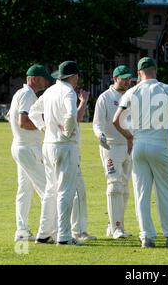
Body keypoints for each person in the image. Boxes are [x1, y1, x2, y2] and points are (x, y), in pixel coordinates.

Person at [112, 57, 168, 249]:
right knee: (166, 193)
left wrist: (129, 137)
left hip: (139, 146)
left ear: (139, 73)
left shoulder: (131, 91)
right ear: (155, 69)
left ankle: (146, 235)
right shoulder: (166, 88)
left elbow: (115, 120)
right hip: (160, 144)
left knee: (141, 193)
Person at [29, 61, 83, 246]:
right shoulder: (68, 92)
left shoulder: (50, 91)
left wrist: (44, 127)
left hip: (49, 144)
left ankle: (44, 233)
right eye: (77, 76)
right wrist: (67, 132)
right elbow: (71, 114)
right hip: (65, 146)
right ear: (73, 76)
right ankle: (64, 235)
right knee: (65, 191)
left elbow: (33, 112)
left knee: (51, 190)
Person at [8, 64, 52, 242]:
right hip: (28, 148)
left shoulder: (20, 93)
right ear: (34, 78)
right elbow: (23, 121)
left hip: (20, 146)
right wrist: (46, 126)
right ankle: (49, 231)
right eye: (43, 78)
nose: (46, 82)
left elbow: (9, 116)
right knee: (46, 189)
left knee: (24, 190)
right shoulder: (27, 95)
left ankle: (22, 230)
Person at [93, 65, 133, 239]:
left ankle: (115, 225)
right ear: (115, 78)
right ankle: (116, 228)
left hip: (129, 146)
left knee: (124, 189)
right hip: (111, 147)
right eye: (123, 78)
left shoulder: (131, 96)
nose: (126, 81)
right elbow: (97, 123)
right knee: (114, 185)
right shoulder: (105, 97)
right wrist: (100, 134)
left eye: (128, 78)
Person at [71, 87, 97, 242]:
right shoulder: (64, 97)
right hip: (68, 151)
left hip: (53, 149)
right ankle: (78, 231)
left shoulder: (50, 95)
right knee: (78, 193)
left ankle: (54, 229)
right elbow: (75, 120)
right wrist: (84, 101)